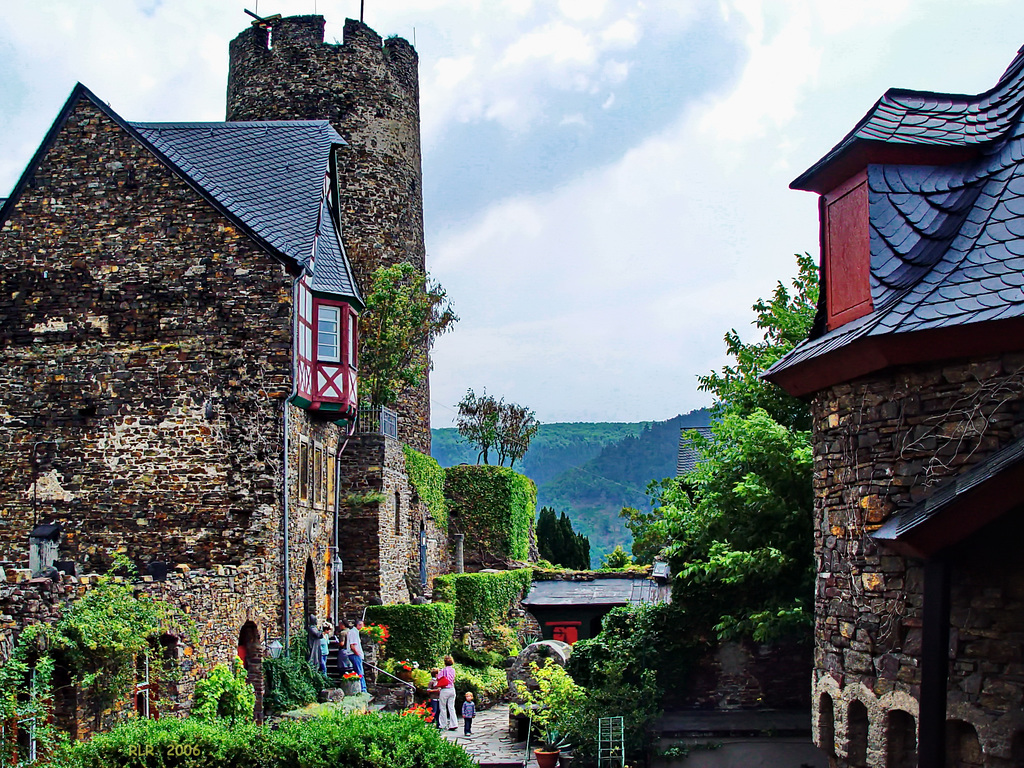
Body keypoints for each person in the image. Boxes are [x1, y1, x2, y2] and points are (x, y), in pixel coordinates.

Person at [346, 618, 367, 693]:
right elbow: (352, 646)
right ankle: (363, 690)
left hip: (355, 655)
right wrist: (358, 654)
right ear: (358, 625)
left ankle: (362, 689)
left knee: (359, 672)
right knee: (360, 672)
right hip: (354, 655)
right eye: (361, 625)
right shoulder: (353, 632)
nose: (362, 627)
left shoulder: (355, 632)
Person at [437, 655, 457, 730]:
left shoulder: (443, 670)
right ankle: (453, 724)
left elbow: (438, 678)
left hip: (445, 689)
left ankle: (443, 724)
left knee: (442, 707)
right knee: (451, 707)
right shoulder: (453, 670)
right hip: (452, 689)